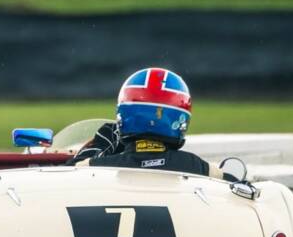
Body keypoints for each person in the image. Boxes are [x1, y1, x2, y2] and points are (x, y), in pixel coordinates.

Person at [81, 67, 225, 179]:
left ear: (123, 115)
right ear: (181, 119)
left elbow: (68, 171)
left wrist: (100, 143)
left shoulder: (94, 167)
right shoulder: (198, 167)